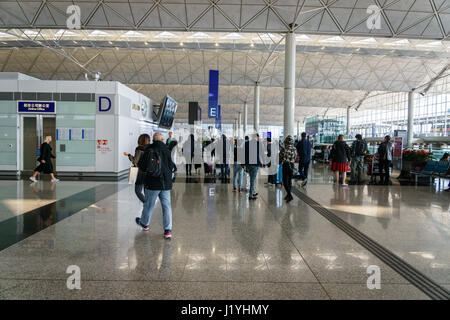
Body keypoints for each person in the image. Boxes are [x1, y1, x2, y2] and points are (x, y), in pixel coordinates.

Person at [136, 132, 174, 239]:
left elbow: (142, 166)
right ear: (162, 140)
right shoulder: (167, 150)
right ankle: (168, 230)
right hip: (165, 183)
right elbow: (171, 166)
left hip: (152, 183)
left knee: (149, 205)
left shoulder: (149, 150)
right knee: (166, 206)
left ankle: (145, 223)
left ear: (153, 140)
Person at [124, 134, 150, 203]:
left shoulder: (139, 149)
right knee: (146, 191)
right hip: (149, 173)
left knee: (138, 191)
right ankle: (148, 205)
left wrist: (129, 155)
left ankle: (146, 203)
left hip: (141, 173)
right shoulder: (150, 148)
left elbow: (135, 161)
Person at [280, 135, 297, 203]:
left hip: (286, 165)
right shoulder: (294, 149)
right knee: (289, 180)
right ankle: (288, 195)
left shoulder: (284, 149)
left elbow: (280, 157)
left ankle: (289, 195)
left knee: (284, 181)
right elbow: (295, 157)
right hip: (292, 165)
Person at [245, 134, 262, 200]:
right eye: (258, 137)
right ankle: (251, 195)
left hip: (248, 164)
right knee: (252, 180)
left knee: (252, 179)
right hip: (254, 164)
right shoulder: (258, 144)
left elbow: (244, 154)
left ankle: (253, 192)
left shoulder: (247, 144)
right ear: (256, 137)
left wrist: (244, 163)